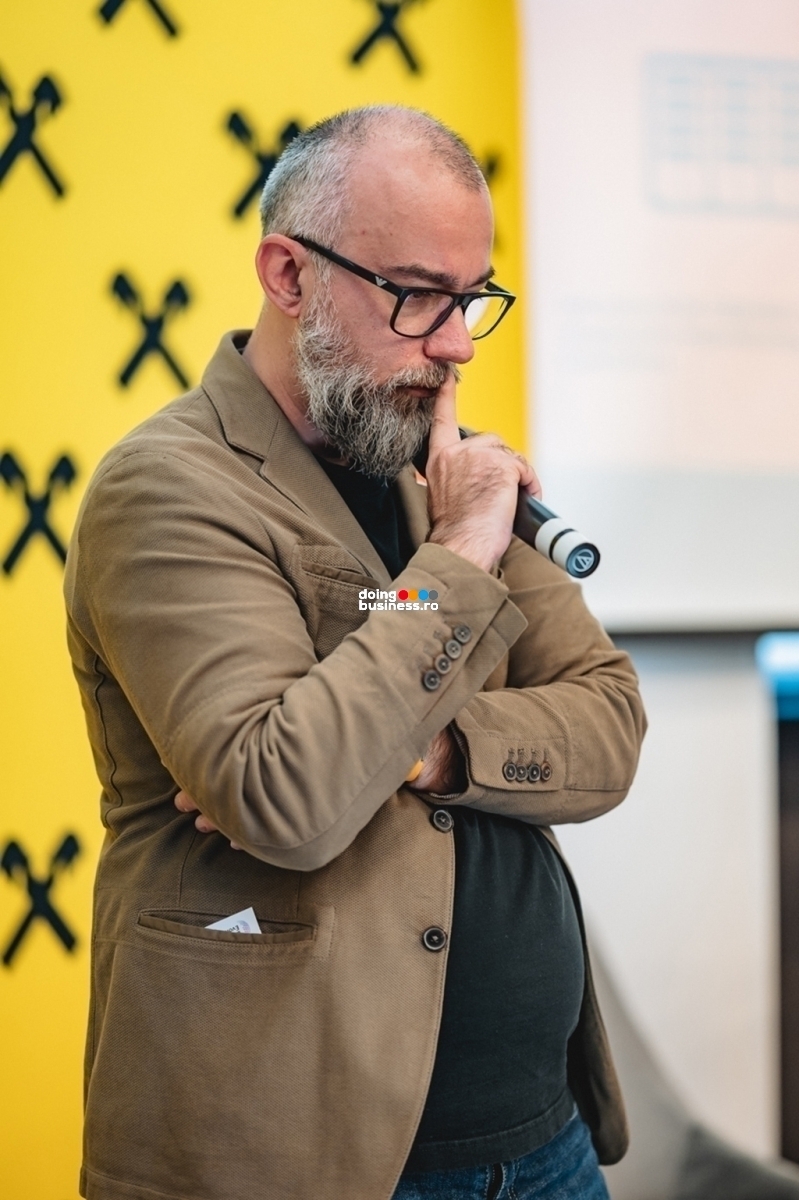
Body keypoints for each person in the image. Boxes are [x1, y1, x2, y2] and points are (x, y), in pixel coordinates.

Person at [64, 106, 645, 1200]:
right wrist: (459, 555)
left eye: (471, 299)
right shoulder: (168, 488)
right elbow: (286, 793)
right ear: (290, 275)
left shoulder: (437, 469)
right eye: (416, 294)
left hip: (543, 1141)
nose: (456, 344)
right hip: (293, 1154)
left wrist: (427, 750)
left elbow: (609, 722)